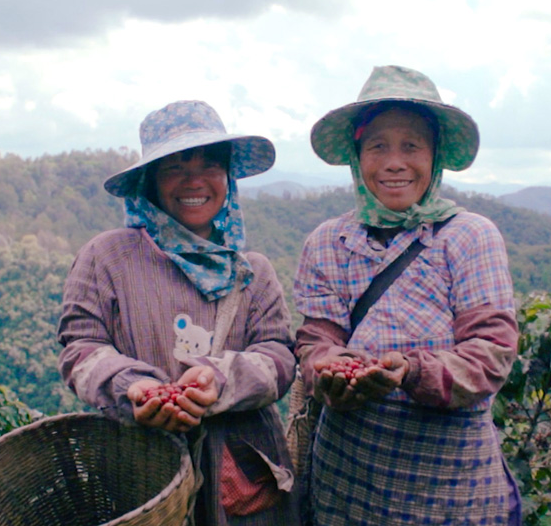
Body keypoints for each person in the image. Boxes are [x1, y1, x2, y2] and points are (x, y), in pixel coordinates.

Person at [293, 65, 521, 525]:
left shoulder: (470, 237)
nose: (394, 162)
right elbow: (316, 341)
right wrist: (328, 371)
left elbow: (490, 354)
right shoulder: (326, 242)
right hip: (347, 482)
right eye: (378, 145)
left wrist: (411, 370)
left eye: (411, 145)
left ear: (434, 155)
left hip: (453, 492)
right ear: (358, 157)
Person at [57, 100, 300, 525]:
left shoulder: (252, 271)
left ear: (227, 177)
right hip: (142, 471)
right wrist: (134, 388)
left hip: (240, 472)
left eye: (210, 165)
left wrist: (218, 380)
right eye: (175, 168)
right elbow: (80, 348)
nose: (195, 181)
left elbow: (279, 357)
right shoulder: (107, 257)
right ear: (150, 182)